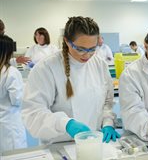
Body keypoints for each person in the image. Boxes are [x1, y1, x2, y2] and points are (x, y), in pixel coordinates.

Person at [22, 16, 120, 144]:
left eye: (92, 49)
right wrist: (65, 124)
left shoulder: (100, 65)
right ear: (67, 41)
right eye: (80, 49)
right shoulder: (47, 68)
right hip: (59, 145)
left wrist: (108, 122)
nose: (87, 55)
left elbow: (107, 102)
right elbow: (33, 113)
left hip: (93, 142)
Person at [0, 34, 27, 153]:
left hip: (3, 122)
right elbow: (16, 99)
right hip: (10, 124)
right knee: (14, 158)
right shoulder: (11, 72)